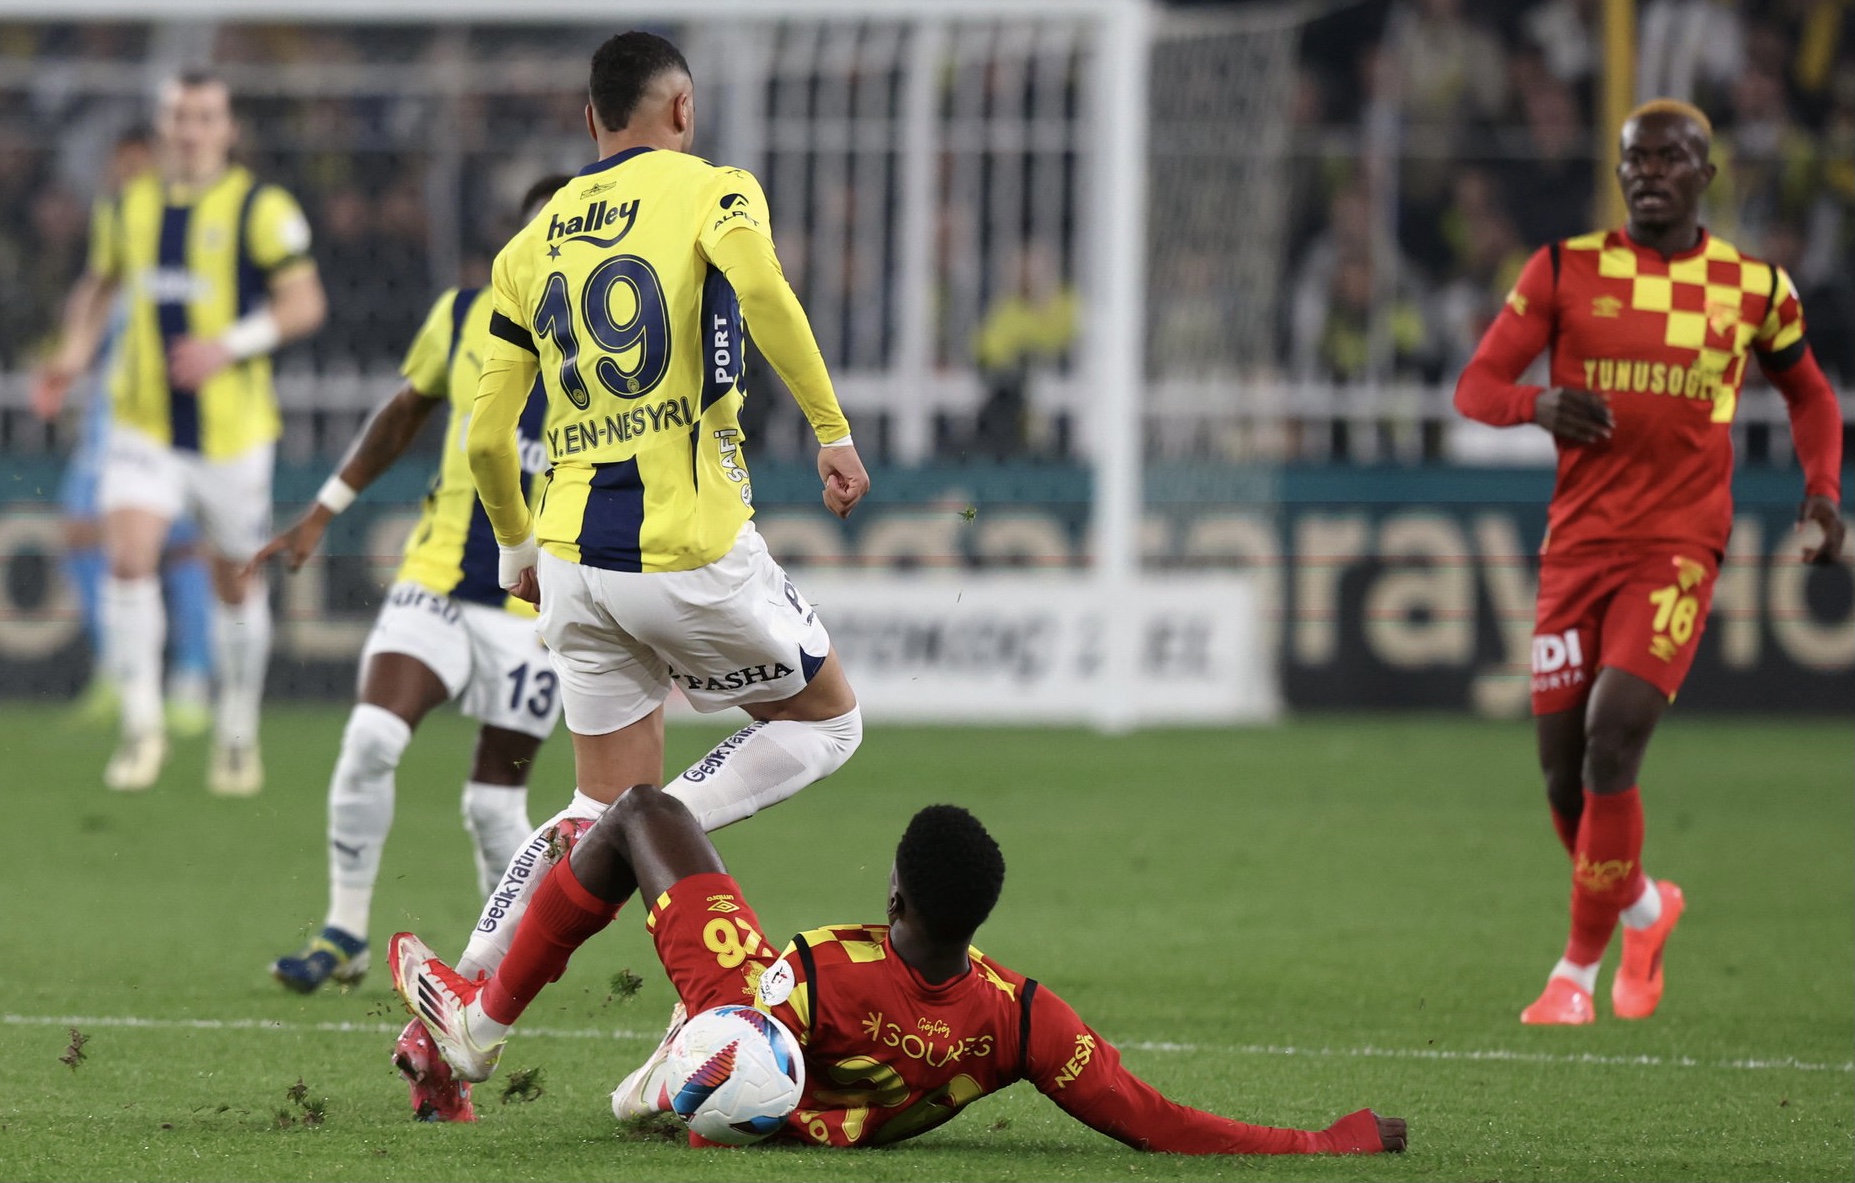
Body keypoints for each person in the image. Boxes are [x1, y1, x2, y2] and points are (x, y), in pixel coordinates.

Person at [383, 30, 873, 1123]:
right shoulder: (713, 190)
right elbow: (764, 291)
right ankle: (646, 834)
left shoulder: (529, 241)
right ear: (681, 109)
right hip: (688, 552)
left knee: (594, 800)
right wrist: (831, 429)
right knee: (829, 721)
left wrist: (515, 549)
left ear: (589, 117)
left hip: (569, 562)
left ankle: (465, 1007)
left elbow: (485, 434)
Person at [389, 787, 1409, 1155]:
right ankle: (673, 1074)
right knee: (732, 1021)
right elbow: (1155, 1120)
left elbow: (761, 1012)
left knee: (642, 814)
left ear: (895, 899)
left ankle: (488, 1027)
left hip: (755, 1029)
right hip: (827, 1107)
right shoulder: (1022, 1021)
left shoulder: (824, 970)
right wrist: (1327, 1140)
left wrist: (718, 1055)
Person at [1454, 100, 1844, 1025]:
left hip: (1677, 547)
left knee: (1611, 736)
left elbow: (1809, 396)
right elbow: (1475, 386)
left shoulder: (1754, 287)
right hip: (1575, 548)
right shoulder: (1562, 270)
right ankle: (1642, 906)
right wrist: (1535, 405)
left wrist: (1823, 491)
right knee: (1564, 779)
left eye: (1670, 158)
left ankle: (1573, 975)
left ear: (1705, 174)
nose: (1649, 171)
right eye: (1635, 157)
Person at [252, 175, 574, 995]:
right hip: (434, 578)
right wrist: (322, 510)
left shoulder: (611, 346)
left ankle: (504, 971)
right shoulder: (463, 316)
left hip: (534, 609)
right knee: (370, 738)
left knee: (494, 808)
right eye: (539, 233)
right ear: (515, 244)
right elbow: (403, 412)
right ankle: (344, 931)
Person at [32, 69, 328, 794]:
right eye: (178, 117)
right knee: (127, 558)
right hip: (144, 423)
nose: (189, 130)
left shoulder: (261, 208)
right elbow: (101, 284)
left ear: (227, 129)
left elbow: (304, 303)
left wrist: (227, 346)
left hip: (231, 434)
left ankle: (236, 729)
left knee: (235, 581)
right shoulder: (128, 205)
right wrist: (72, 353)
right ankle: (142, 729)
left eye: (203, 117)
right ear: (163, 126)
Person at [49, 124, 215, 737]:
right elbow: (91, 302)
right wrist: (71, 353)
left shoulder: (193, 229)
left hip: (180, 408)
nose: (127, 176)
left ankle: (192, 677)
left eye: (138, 165)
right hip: (114, 411)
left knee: (182, 542)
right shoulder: (115, 231)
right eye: (120, 166)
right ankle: (118, 667)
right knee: (82, 530)